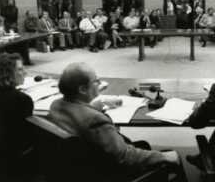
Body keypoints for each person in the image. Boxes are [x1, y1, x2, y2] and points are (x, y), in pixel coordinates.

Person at [48, 62, 180, 176]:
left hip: (79, 164)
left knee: (143, 145)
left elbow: (79, 115)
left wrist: (92, 107)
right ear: (82, 89)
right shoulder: (94, 120)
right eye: (96, 81)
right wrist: (163, 156)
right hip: (106, 172)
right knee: (172, 158)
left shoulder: (56, 104)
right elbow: (125, 156)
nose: (100, 83)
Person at [0, 54, 33, 168]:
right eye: (20, 69)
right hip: (17, 161)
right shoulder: (22, 99)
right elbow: (28, 136)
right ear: (7, 74)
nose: (25, 72)